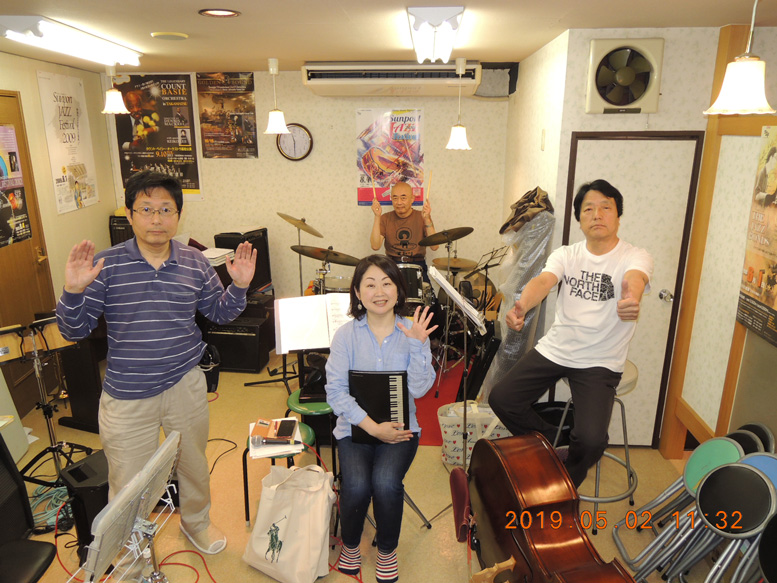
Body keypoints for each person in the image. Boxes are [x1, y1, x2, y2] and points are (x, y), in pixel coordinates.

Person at [56, 170, 257, 555]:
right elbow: (73, 330)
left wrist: (240, 286)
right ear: (130, 214)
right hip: (127, 394)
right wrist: (73, 291)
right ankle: (133, 548)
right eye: (146, 209)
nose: (156, 219)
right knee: (130, 482)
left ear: (178, 215)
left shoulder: (194, 262)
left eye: (166, 209)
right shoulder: (106, 264)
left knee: (193, 466)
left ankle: (196, 524)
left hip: (185, 383)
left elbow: (219, 312)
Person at [488, 179, 653, 488]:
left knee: (591, 441)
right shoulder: (566, 254)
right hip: (557, 348)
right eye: (588, 209)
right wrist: (522, 306)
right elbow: (543, 282)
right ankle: (554, 441)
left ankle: (564, 481)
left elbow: (635, 279)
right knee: (502, 398)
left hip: (600, 360)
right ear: (579, 219)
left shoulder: (635, 255)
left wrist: (632, 297)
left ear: (618, 215)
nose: (597, 214)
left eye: (606, 207)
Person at [325, 255, 437, 583]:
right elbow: (335, 392)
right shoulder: (346, 336)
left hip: (401, 430)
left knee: (386, 483)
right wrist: (373, 428)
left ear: (399, 290)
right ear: (357, 293)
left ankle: (387, 550)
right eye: (370, 284)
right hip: (355, 429)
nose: (379, 292)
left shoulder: (412, 331)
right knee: (356, 485)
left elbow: (419, 389)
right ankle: (350, 546)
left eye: (387, 283)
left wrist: (417, 346)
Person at [370, 181, 438, 280]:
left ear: (412, 199)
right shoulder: (385, 218)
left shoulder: (422, 217)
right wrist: (377, 216)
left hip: (417, 265)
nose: (399, 202)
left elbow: (434, 247)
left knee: (425, 290)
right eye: (395, 198)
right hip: (392, 266)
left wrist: (427, 219)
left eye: (403, 198)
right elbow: (375, 246)